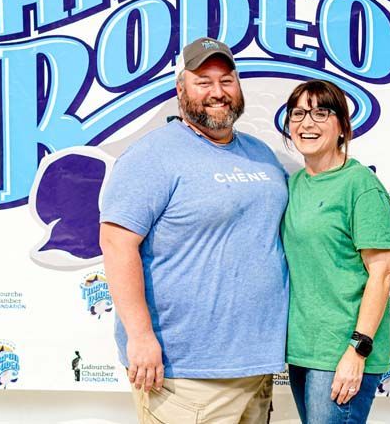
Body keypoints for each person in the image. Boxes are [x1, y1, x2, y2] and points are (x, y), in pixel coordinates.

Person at [99, 37, 289, 423]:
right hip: (184, 372)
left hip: (255, 367)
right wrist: (140, 337)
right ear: (180, 88)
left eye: (227, 80)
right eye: (203, 81)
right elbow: (117, 244)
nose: (217, 92)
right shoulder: (152, 155)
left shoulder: (261, 154)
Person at [281, 80, 390, 424]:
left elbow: (383, 272)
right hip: (303, 351)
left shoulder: (360, 185)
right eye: (298, 113)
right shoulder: (295, 184)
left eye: (321, 112)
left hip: (342, 353)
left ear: (342, 125)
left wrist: (357, 351)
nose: (307, 123)